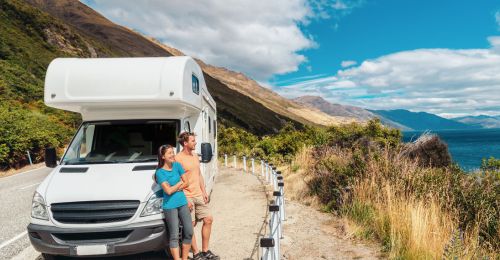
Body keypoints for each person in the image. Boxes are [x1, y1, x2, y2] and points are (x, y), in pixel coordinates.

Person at [175, 132, 219, 260]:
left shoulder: (194, 156)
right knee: (191, 225)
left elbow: (198, 174)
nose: (195, 143)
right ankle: (196, 253)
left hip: (198, 194)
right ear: (185, 143)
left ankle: (205, 251)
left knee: (208, 219)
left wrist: (204, 192)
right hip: (186, 195)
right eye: (193, 141)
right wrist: (183, 198)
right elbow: (177, 180)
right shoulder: (178, 159)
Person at [155, 144, 193, 260]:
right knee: (174, 236)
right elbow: (168, 191)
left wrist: (175, 186)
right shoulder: (160, 172)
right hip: (170, 206)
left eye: (173, 152)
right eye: (169, 153)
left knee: (189, 232)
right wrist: (179, 184)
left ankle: (184, 258)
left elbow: (187, 182)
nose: (173, 155)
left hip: (182, 202)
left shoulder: (177, 166)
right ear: (163, 156)